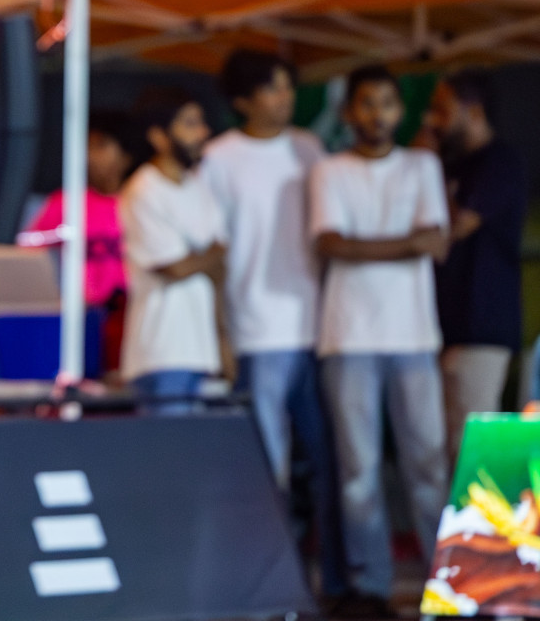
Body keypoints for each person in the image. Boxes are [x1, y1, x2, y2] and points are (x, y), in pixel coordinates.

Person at [201, 50, 345, 600]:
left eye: (288, 87)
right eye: (272, 89)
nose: (284, 98)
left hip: (322, 329)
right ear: (242, 101)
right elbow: (215, 254)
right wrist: (223, 335)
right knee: (268, 471)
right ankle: (272, 588)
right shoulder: (219, 159)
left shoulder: (310, 150)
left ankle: (335, 584)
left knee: (330, 464)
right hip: (257, 330)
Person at [311, 65, 449, 618]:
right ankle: (372, 587)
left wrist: (366, 245)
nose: (378, 115)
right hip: (348, 337)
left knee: (430, 466)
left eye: (388, 103)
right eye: (367, 104)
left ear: (400, 110)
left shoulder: (423, 165)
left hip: (414, 335)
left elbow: (436, 243)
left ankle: (448, 580)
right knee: (358, 472)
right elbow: (330, 245)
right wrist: (406, 243)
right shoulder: (329, 170)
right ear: (349, 113)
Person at [424, 71, 524, 464]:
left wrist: (426, 163)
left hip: (484, 328)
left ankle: (487, 528)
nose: (432, 120)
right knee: (450, 448)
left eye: (441, 110)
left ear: (474, 111)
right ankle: (461, 528)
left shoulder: (500, 161)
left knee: (479, 450)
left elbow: (456, 227)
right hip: (445, 330)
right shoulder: (452, 167)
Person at [119, 87, 226, 414]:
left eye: (202, 123)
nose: (203, 133)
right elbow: (174, 267)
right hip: (161, 352)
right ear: (159, 136)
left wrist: (224, 340)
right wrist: (209, 256)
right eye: (190, 124)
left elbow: (218, 264)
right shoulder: (143, 190)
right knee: (166, 460)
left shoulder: (199, 187)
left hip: (201, 349)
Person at [19, 111, 136, 372]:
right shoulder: (66, 203)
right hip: (83, 322)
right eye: (88, 146)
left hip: (134, 320)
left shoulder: (141, 200)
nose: (90, 155)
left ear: (126, 155)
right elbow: (26, 251)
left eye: (101, 146)